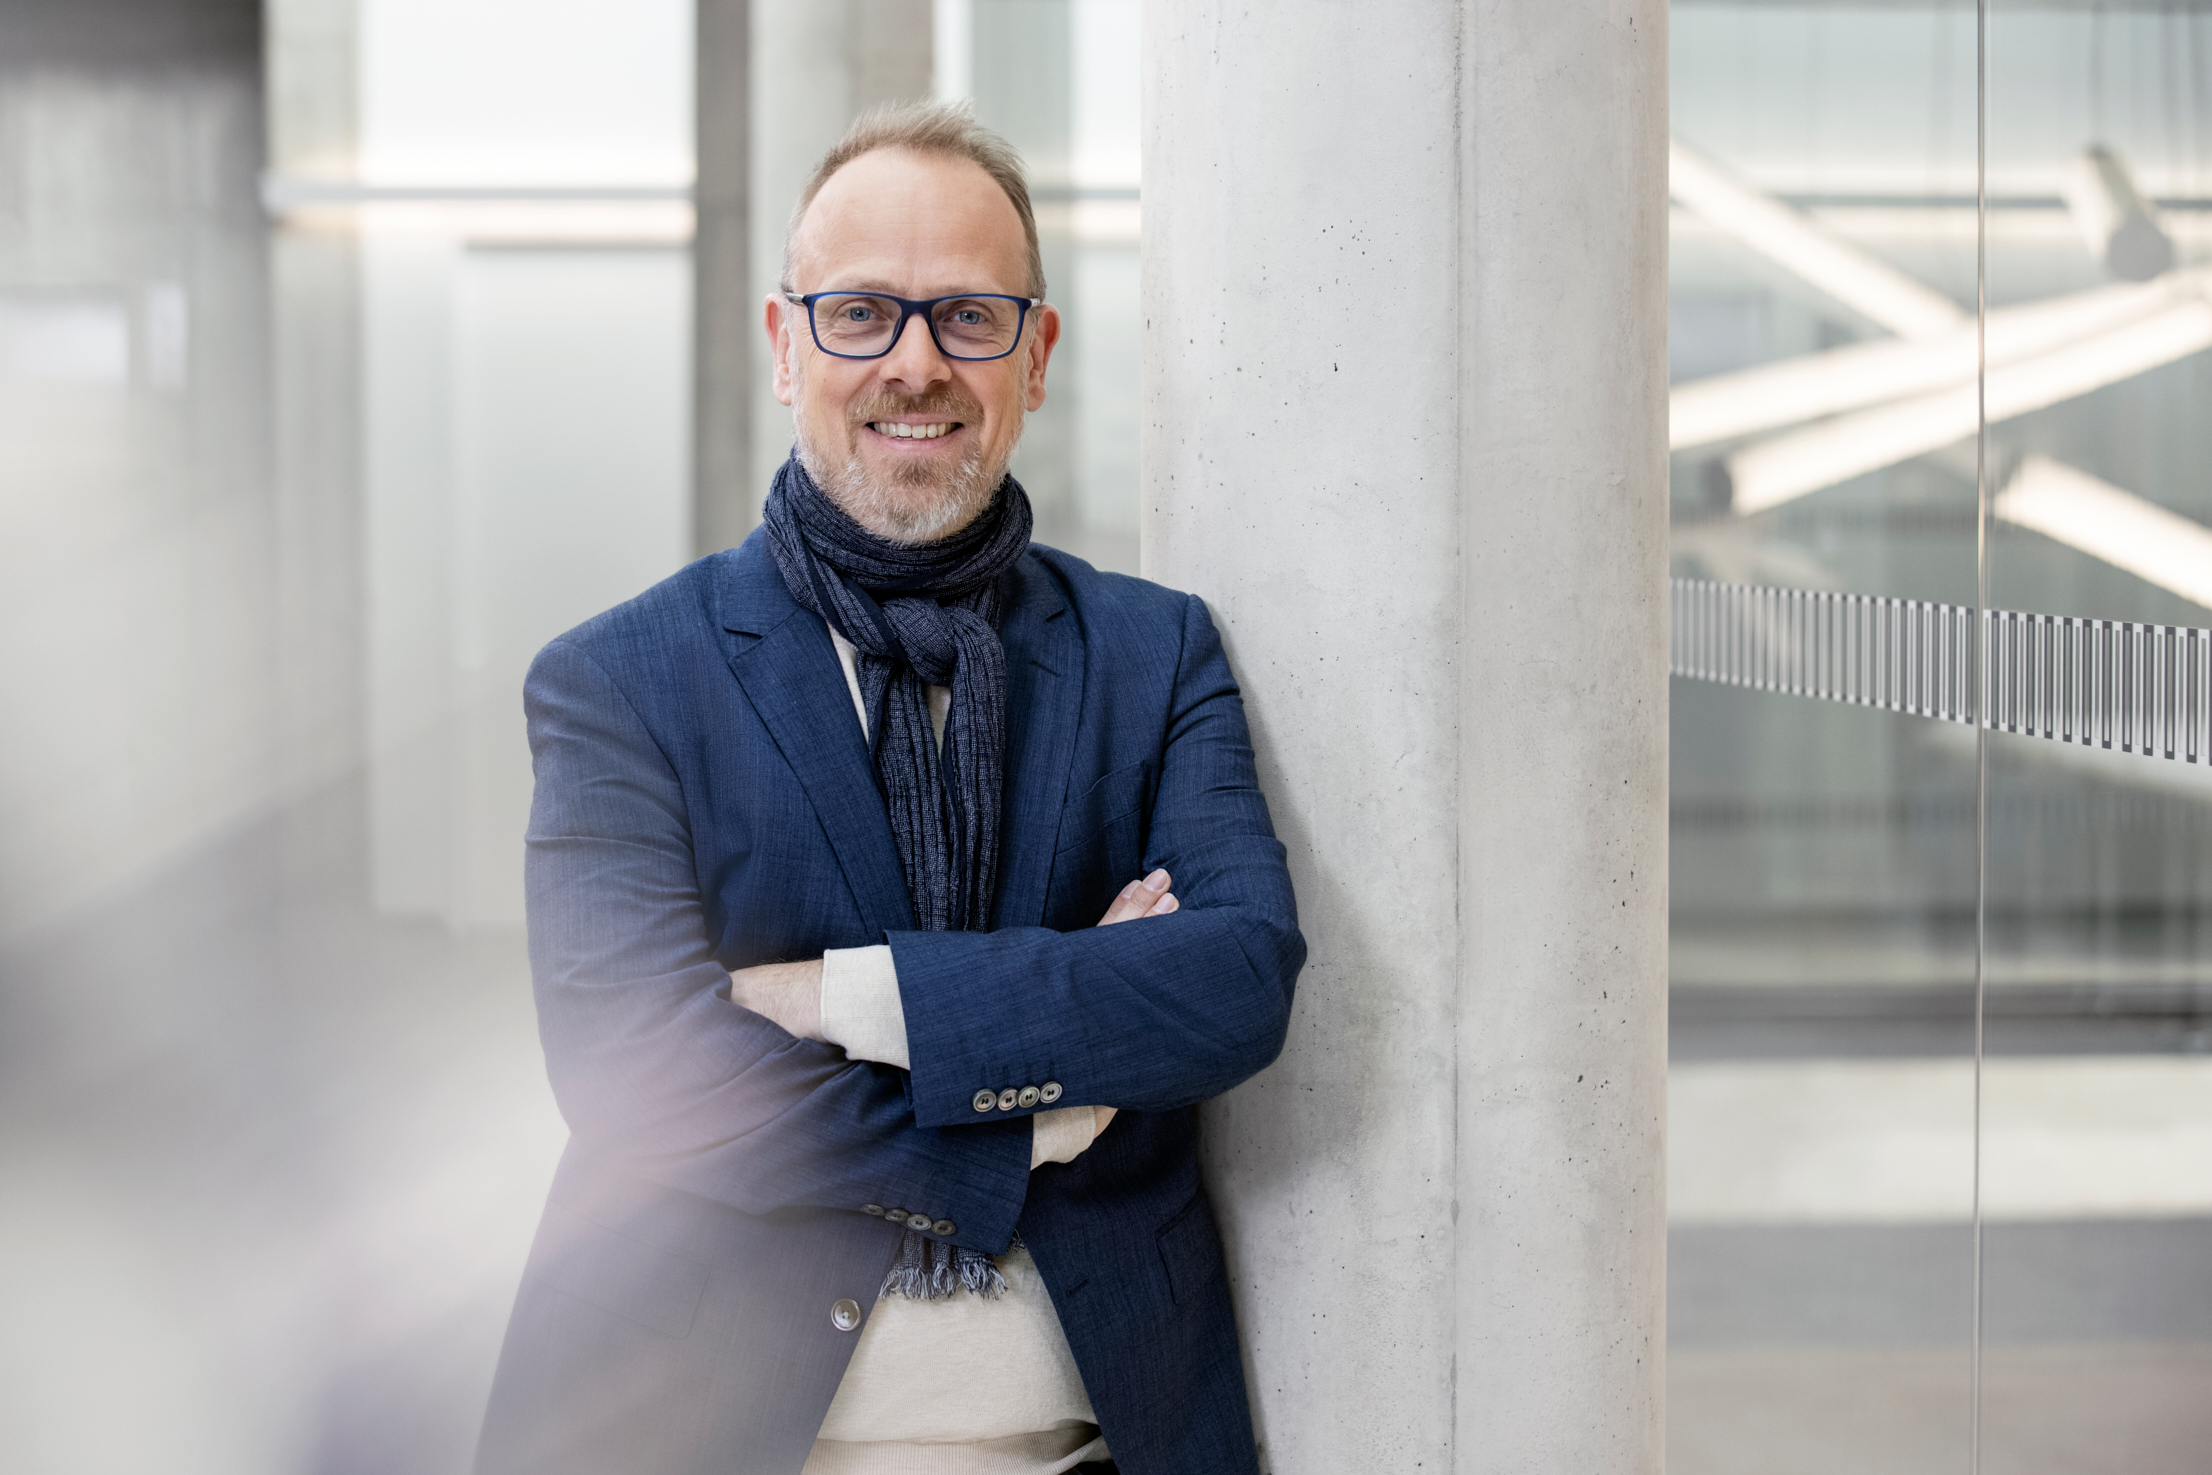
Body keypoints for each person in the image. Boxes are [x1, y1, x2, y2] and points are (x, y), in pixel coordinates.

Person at [474, 101, 1304, 1475]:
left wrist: (839, 1000)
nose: (915, 365)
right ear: (784, 344)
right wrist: (1028, 1125)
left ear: (1036, 356)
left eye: (968, 317)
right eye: (860, 314)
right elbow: (636, 1070)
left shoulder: (1153, 655)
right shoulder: (622, 680)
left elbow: (1235, 981)